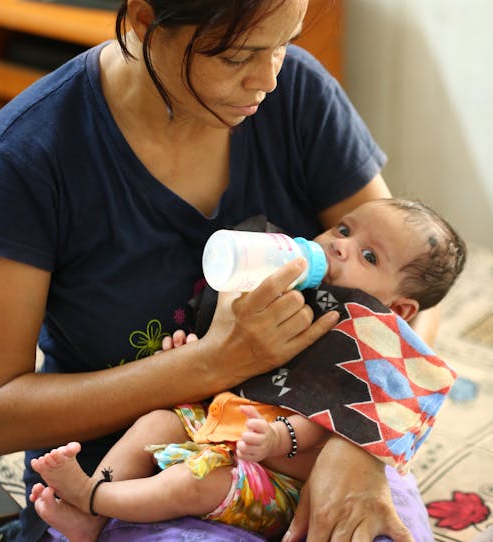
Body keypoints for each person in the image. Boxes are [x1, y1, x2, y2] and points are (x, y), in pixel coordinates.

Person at [0, 0, 440, 542]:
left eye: (283, 44)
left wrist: (361, 445)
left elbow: (406, 278)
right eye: (237, 57)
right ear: (144, 24)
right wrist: (212, 364)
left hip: (295, 441)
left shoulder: (295, 94)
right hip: (133, 479)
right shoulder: (30, 157)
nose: (266, 80)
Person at [28, 197, 466, 541]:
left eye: (368, 256)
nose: (339, 244)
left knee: (197, 484)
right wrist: (186, 358)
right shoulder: (285, 295)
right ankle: (90, 517)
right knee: (154, 423)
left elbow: (337, 421)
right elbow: (230, 364)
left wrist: (280, 437)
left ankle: (95, 498)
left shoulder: (371, 352)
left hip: (278, 479)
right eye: (344, 229)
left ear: (399, 308)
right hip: (219, 426)